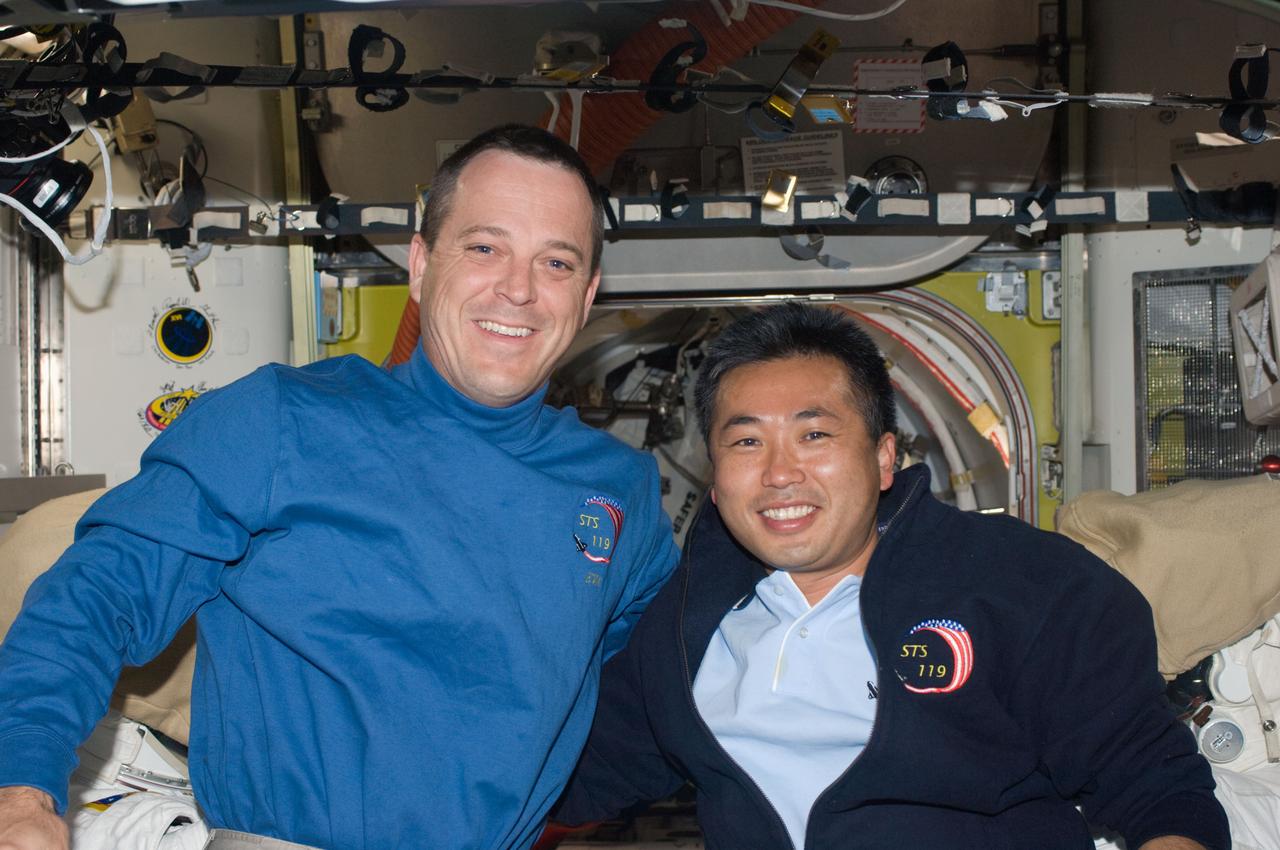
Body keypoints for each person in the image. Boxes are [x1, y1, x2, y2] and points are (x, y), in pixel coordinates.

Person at [0, 124, 679, 850]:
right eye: (485, 248)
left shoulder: (621, 491)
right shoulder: (278, 420)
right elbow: (97, 597)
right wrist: (21, 790)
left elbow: (661, 687)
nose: (518, 289)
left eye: (557, 262)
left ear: (587, 294)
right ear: (421, 265)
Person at [553, 303, 1229, 850]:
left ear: (883, 459)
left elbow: (1157, 789)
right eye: (747, 441)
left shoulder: (1023, 587)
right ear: (715, 472)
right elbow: (572, 774)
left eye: (814, 436)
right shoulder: (681, 627)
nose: (780, 473)